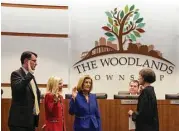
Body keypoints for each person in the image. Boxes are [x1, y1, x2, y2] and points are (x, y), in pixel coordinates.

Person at [8, 51, 41, 131]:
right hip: (19, 123)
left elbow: (33, 96)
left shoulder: (31, 76)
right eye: (34, 61)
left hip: (30, 122)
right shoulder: (16, 74)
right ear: (27, 61)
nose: (36, 63)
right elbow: (18, 89)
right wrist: (29, 74)